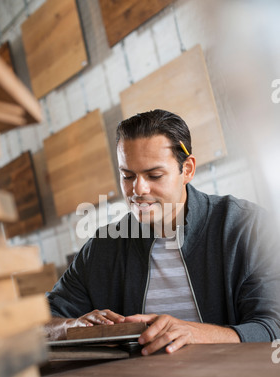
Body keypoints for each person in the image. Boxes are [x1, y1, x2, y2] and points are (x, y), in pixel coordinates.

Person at [45, 109, 280, 355]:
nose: (138, 189)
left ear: (187, 169)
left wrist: (197, 333)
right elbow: (39, 323)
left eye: (154, 175)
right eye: (127, 176)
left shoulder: (246, 226)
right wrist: (74, 327)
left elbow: (272, 327)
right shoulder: (103, 247)